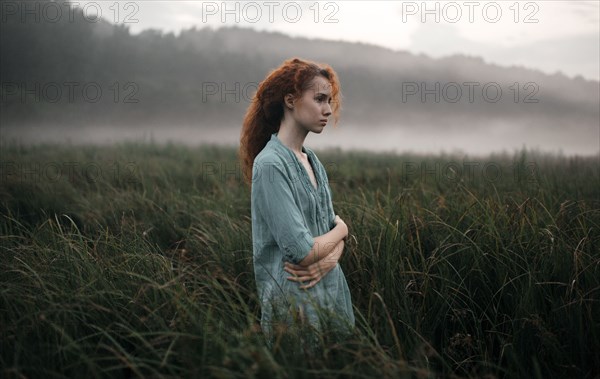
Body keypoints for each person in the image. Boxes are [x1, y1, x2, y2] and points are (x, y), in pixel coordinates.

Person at [239, 57, 355, 348]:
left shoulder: (313, 161)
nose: (328, 109)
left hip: (333, 301)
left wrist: (328, 259)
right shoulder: (270, 164)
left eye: (329, 100)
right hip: (294, 311)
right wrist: (343, 230)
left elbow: (325, 234)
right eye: (319, 99)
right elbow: (302, 251)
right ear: (290, 100)